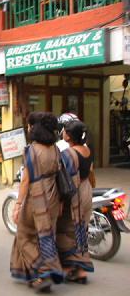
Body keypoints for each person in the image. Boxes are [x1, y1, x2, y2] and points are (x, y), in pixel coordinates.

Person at [10, 112, 63, 292]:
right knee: (45, 238)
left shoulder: (32, 150)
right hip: (54, 199)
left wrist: (18, 205)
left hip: (36, 200)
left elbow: (26, 180)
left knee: (24, 236)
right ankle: (35, 274)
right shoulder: (55, 149)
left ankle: (42, 271)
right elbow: (59, 174)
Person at [56, 121, 94, 284]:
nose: (62, 132)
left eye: (64, 131)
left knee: (66, 230)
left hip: (75, 194)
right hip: (87, 190)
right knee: (81, 230)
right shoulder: (87, 150)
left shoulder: (69, 154)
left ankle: (70, 268)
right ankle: (81, 271)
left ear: (69, 136)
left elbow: (67, 180)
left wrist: (60, 201)